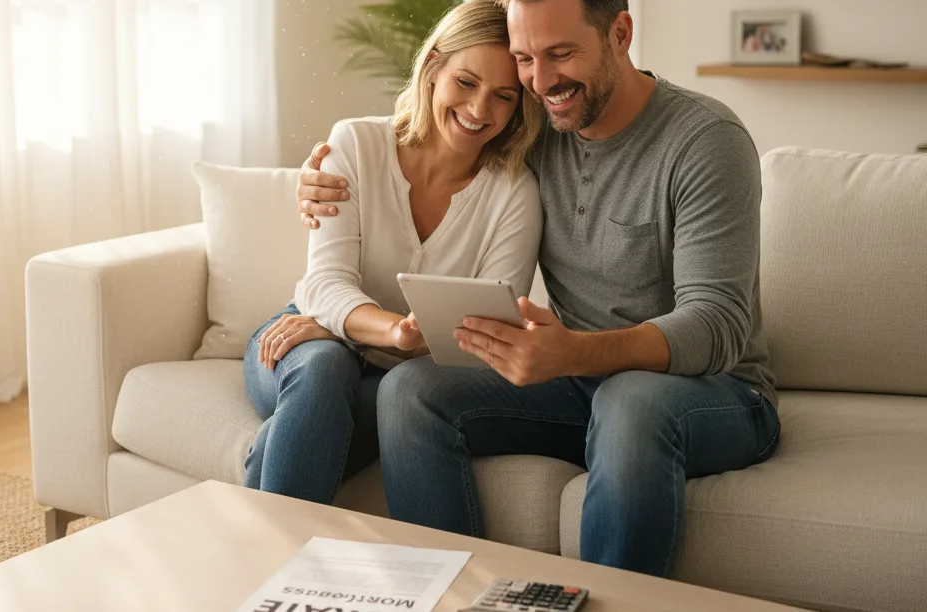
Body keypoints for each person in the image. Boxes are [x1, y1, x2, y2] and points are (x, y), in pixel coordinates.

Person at [294, 0, 780, 578]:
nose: (541, 81)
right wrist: (317, 182)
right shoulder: (540, 129)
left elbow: (716, 323)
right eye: (526, 58)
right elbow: (430, 130)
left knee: (631, 402)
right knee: (410, 391)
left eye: (561, 54)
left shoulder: (705, 140)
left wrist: (575, 351)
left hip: (710, 392)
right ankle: (453, 594)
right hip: (577, 384)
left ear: (620, 33)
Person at [242, 0, 545, 506]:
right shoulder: (356, 143)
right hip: (301, 337)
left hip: (389, 370)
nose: (478, 110)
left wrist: (351, 328)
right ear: (432, 70)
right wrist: (384, 331)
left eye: (503, 97)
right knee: (324, 368)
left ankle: (270, 563)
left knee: (341, 416)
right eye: (465, 83)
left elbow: (490, 327)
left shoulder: (514, 191)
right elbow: (325, 284)